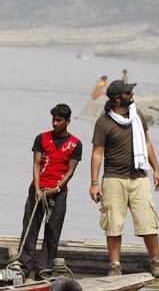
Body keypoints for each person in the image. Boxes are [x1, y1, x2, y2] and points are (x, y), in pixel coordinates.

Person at [89, 80, 159, 278]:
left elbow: (147, 143)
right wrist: (94, 183)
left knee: (148, 222)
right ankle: (115, 267)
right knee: (113, 225)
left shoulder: (137, 115)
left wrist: (156, 168)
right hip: (113, 179)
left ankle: (157, 264)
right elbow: (97, 153)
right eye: (128, 92)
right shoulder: (103, 122)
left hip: (140, 177)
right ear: (117, 99)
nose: (132, 94)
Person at [19, 104, 82, 279]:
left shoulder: (75, 144)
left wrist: (57, 189)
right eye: (54, 119)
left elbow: (70, 170)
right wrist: (38, 189)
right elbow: (37, 164)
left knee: (52, 233)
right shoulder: (41, 138)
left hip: (58, 193)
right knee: (30, 229)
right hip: (37, 191)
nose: (55, 123)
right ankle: (24, 268)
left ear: (68, 121)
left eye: (59, 120)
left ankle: (43, 271)